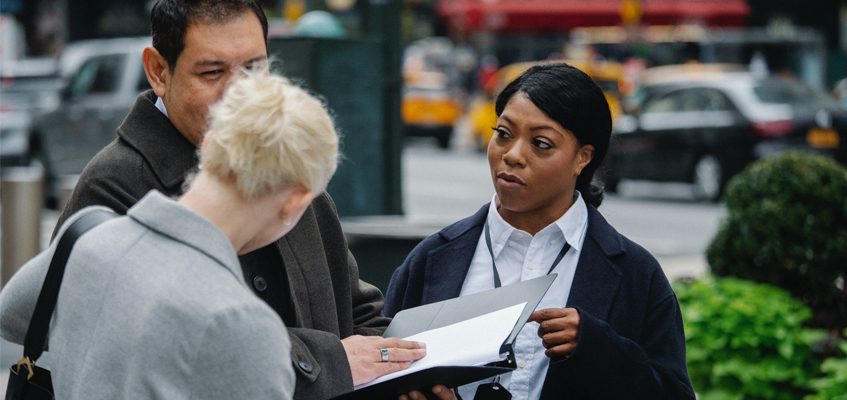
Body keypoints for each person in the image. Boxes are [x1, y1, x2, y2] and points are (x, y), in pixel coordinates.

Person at [49, 1, 445, 398]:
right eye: (213, 72)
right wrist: (331, 362)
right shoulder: (112, 185)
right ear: (158, 71)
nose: (240, 94)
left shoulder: (287, 164)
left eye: (255, 70)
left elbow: (357, 311)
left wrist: (402, 371)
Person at [0, 68, 340, 399]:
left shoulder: (86, 238)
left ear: (207, 145)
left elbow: (11, 316)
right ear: (296, 199)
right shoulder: (243, 325)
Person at [384, 63, 696, 399]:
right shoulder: (431, 259)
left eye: (541, 143)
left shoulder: (635, 274)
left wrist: (598, 348)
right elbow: (380, 369)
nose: (513, 155)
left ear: (583, 158)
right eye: (503, 134)